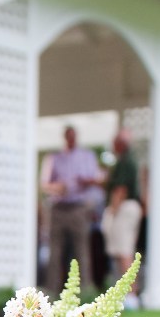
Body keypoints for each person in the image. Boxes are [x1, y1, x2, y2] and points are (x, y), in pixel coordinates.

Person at [43, 126, 103, 296]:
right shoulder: (54, 158)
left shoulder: (87, 157)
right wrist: (58, 188)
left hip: (78, 208)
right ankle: (51, 293)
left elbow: (98, 180)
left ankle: (85, 292)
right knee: (55, 253)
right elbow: (45, 184)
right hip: (58, 209)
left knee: (82, 252)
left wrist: (87, 181)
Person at [100, 129, 143, 309]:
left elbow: (120, 189)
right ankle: (126, 292)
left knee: (124, 250)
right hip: (128, 207)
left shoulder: (125, 162)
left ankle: (131, 295)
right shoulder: (127, 161)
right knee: (121, 251)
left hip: (123, 208)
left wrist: (112, 211)